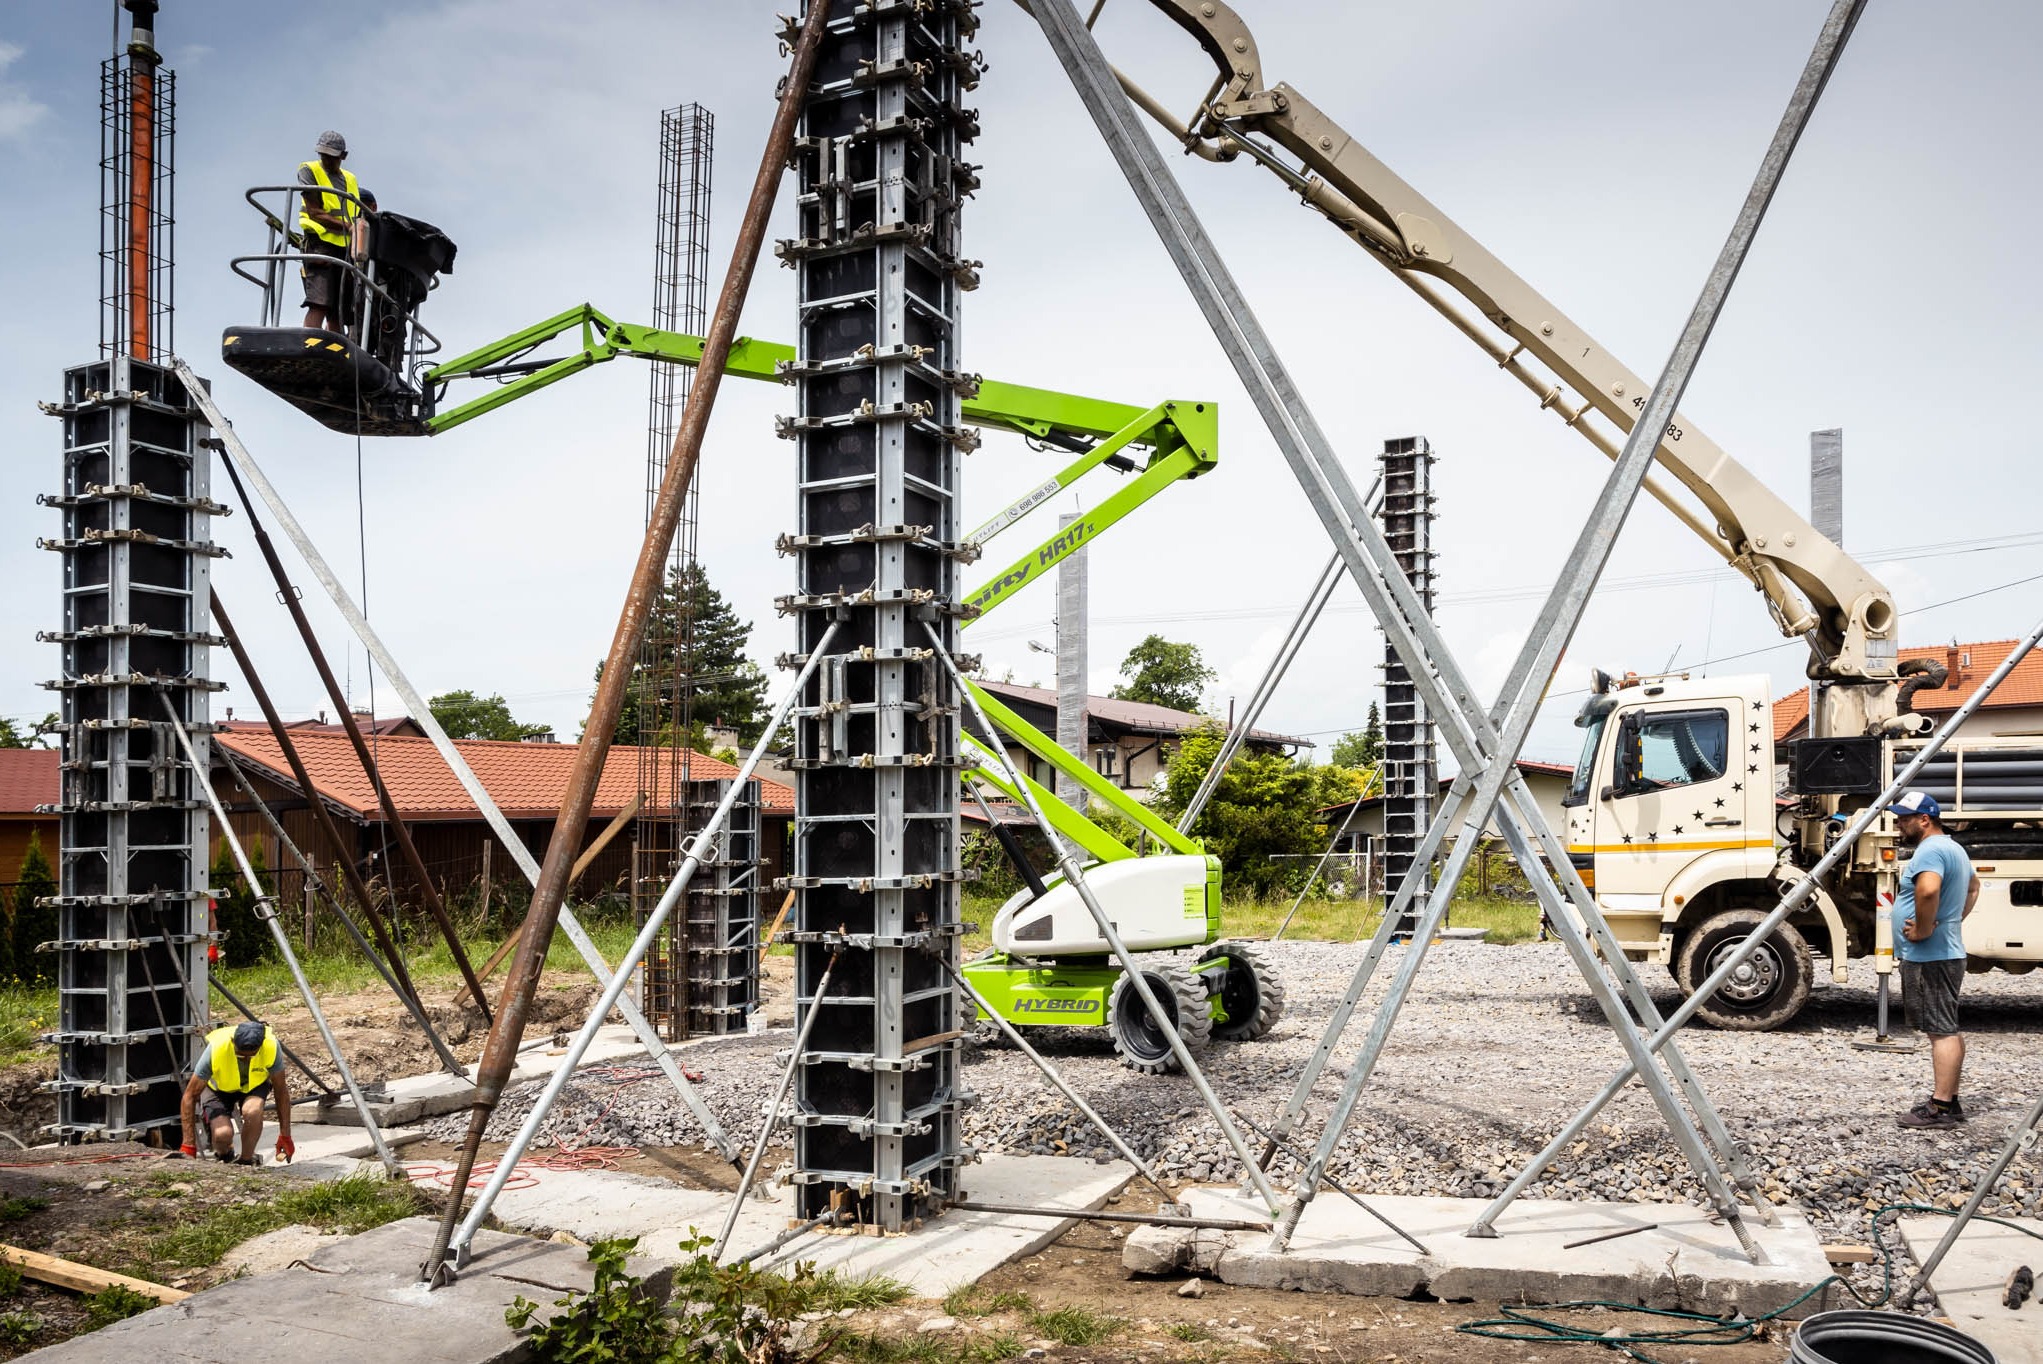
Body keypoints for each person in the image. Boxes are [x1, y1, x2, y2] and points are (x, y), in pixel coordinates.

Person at [1889, 789, 1979, 1130]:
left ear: (1924, 819)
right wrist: (1951, 920)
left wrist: (1926, 929)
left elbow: (1927, 890)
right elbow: (1973, 887)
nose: (1898, 824)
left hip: (1930, 955)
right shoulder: (1955, 848)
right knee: (1946, 1028)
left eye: (1903, 818)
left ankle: (1940, 1107)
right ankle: (1949, 1100)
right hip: (1946, 951)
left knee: (1940, 1031)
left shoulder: (1930, 850)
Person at [179, 1020, 295, 1164]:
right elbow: (190, 1096)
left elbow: (281, 1092)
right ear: (233, 1042)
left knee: (252, 1112)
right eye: (241, 1056)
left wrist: (285, 1136)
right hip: (218, 1087)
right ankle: (225, 1155)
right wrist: (188, 1144)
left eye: (251, 1056)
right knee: (222, 1135)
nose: (246, 1060)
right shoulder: (217, 1047)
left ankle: (246, 1161)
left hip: (254, 1085)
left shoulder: (271, 1046)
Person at [298, 130, 361, 333]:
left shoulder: (350, 180)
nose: (326, 159)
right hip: (320, 245)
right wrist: (349, 227)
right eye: (322, 154)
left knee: (339, 310)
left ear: (343, 156)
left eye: (331, 156)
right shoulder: (309, 170)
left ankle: (336, 351)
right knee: (320, 302)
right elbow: (315, 212)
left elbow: (357, 214)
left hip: (345, 249)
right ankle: (310, 344)